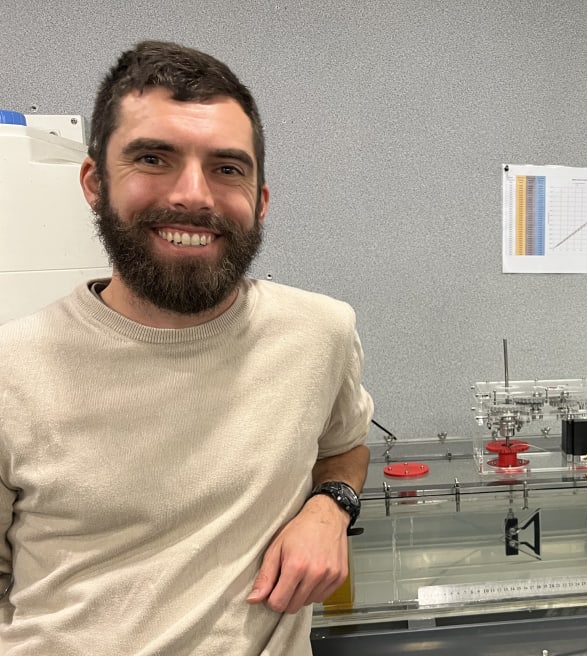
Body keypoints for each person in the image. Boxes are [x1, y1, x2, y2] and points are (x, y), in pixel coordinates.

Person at [0, 41, 374, 655]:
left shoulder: (321, 332)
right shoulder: (14, 369)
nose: (194, 195)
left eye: (228, 168)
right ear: (95, 183)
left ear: (260, 199)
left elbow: (344, 447)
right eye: (153, 158)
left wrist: (329, 509)